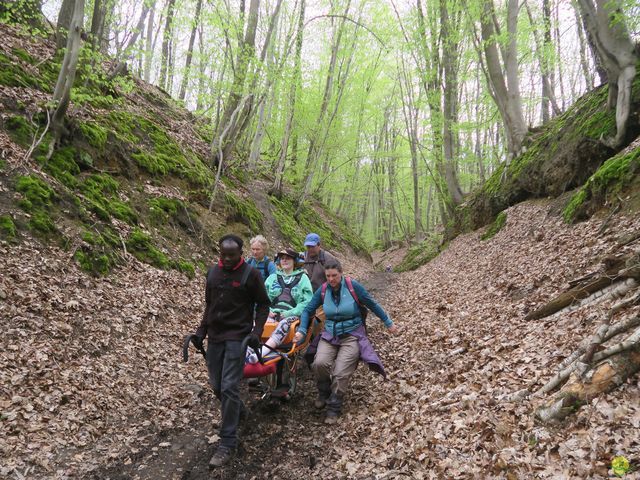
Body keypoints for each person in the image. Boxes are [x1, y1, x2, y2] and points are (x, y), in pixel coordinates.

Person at [191, 234, 270, 468]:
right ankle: (238, 411)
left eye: (231, 255)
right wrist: (200, 332)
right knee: (216, 385)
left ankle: (227, 442)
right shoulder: (213, 273)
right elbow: (209, 305)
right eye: (222, 255)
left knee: (229, 386)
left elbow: (264, 304)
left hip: (238, 337)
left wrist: (256, 331)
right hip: (215, 336)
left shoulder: (251, 274)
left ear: (240, 254)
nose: (226, 259)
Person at [293, 260, 398, 424]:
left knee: (341, 372)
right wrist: (302, 330)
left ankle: (334, 406)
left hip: (352, 334)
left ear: (341, 273)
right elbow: (307, 310)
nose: (331, 279)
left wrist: (388, 322)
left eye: (334, 275)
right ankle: (324, 392)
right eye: (328, 276)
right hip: (329, 334)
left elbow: (372, 303)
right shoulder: (323, 290)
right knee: (319, 363)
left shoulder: (353, 287)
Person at [245, 247, 313, 364]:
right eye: (282, 258)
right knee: (256, 324)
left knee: (284, 324)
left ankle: (263, 352)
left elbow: (307, 301)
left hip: (292, 315)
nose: (284, 261)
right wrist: (268, 310)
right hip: (271, 313)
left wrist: (290, 313)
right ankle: (246, 352)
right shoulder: (272, 278)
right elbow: (262, 298)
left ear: (294, 261)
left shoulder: (303, 278)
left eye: (288, 258)